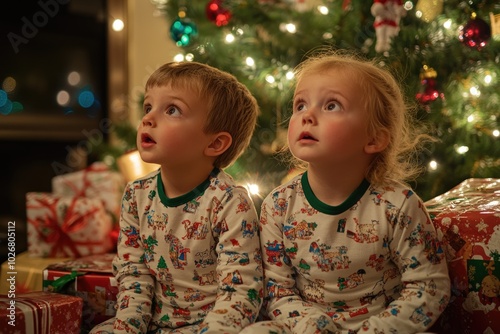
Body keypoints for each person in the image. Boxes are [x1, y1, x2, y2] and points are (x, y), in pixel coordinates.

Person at [245, 49, 450, 333]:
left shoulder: (398, 205)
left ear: (374, 138)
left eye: (331, 106)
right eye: (300, 105)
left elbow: (429, 287)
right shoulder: (278, 205)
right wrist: (310, 325)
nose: (307, 116)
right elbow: (276, 291)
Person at [90, 61, 263, 334]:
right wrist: (127, 328)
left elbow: (241, 290)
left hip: (209, 326)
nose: (147, 119)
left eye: (172, 110)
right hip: (153, 323)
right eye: (148, 107)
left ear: (215, 143)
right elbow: (134, 273)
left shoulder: (230, 202)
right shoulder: (136, 194)